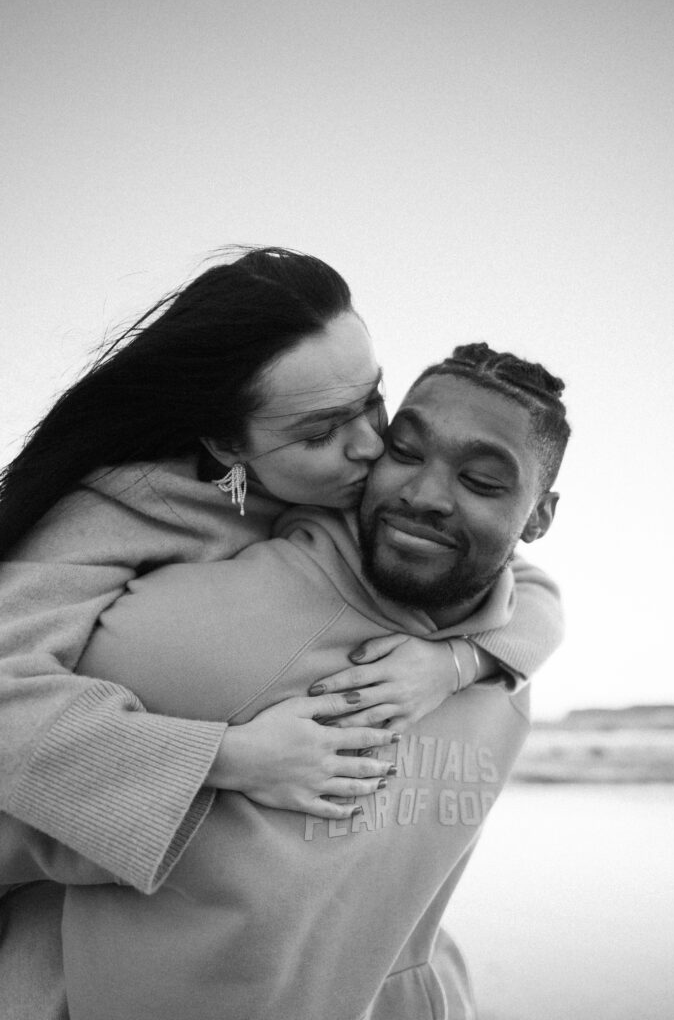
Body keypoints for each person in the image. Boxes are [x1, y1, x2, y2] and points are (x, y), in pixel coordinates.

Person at [30, 342, 571, 1020]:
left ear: (539, 517)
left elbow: (388, 901)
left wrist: (462, 663)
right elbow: (25, 784)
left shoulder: (503, 680)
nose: (425, 495)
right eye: (404, 452)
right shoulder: (207, 624)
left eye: (483, 482)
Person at [0, 248, 560, 891]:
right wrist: (230, 758)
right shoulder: (132, 505)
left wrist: (453, 665)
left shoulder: (375, 489)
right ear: (228, 444)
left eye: (372, 401)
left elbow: (529, 584)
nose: (372, 445)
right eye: (321, 431)